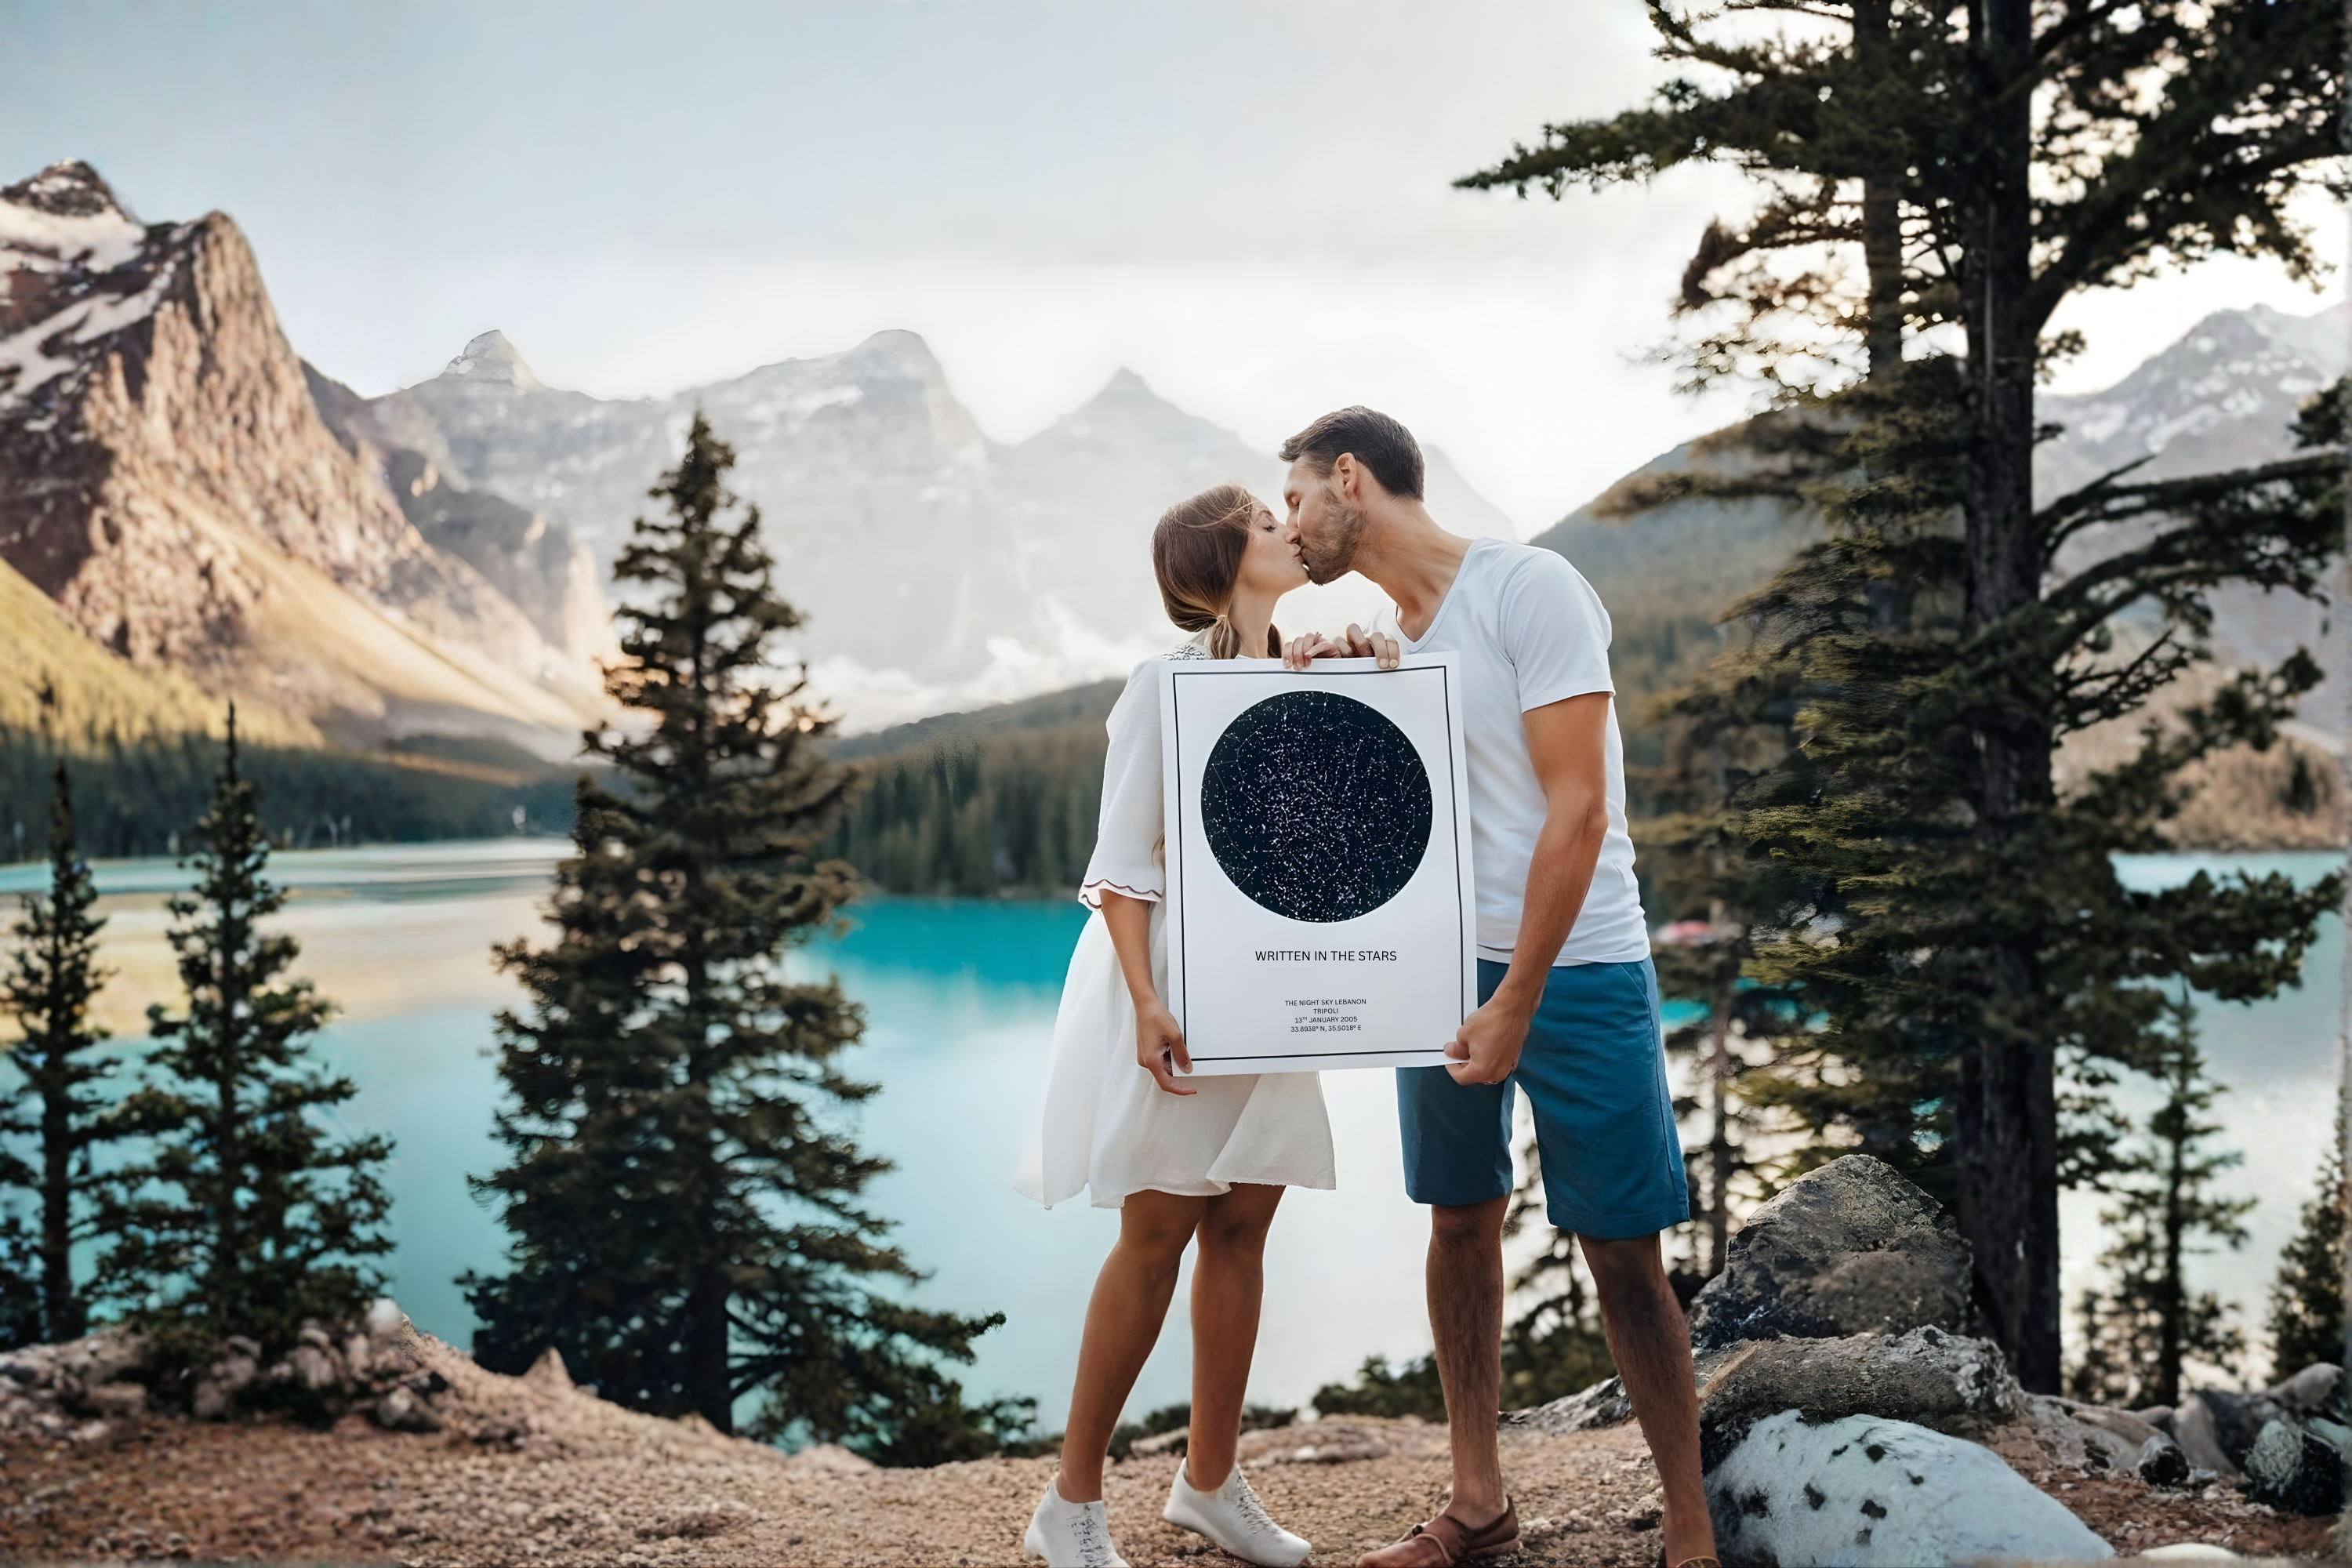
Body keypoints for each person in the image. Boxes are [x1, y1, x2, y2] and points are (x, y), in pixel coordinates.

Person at [1278, 408, 1719, 1568]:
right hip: (1435, 972)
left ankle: (1689, 1528)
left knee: (1623, 1251)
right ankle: (1478, 1502)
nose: (1290, 529)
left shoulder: (1532, 590)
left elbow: (1579, 811)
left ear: (1350, 480)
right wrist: (1326, 686)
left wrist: (1518, 996)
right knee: (1460, 1224)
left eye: (1295, 503)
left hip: (1577, 966)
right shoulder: (1392, 635)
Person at [1014, 483, 1332, 1568]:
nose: (1288, 528)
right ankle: (1070, 1505)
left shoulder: (1303, 675)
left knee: (1245, 1227)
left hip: (1271, 987)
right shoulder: (1163, 689)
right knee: (1154, 1243)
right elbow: (1121, 868)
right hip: (1176, 996)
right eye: (1261, 522)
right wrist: (1149, 1004)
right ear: (1216, 560)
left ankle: (1209, 1482)